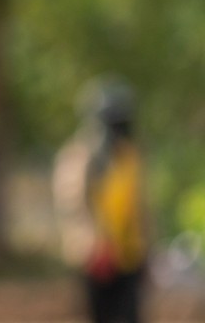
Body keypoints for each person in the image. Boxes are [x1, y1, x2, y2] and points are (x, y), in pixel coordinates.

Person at [55, 79, 153, 323]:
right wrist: (93, 244)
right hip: (97, 258)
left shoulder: (130, 156)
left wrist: (147, 251)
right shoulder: (81, 156)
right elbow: (73, 204)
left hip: (129, 255)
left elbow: (141, 207)